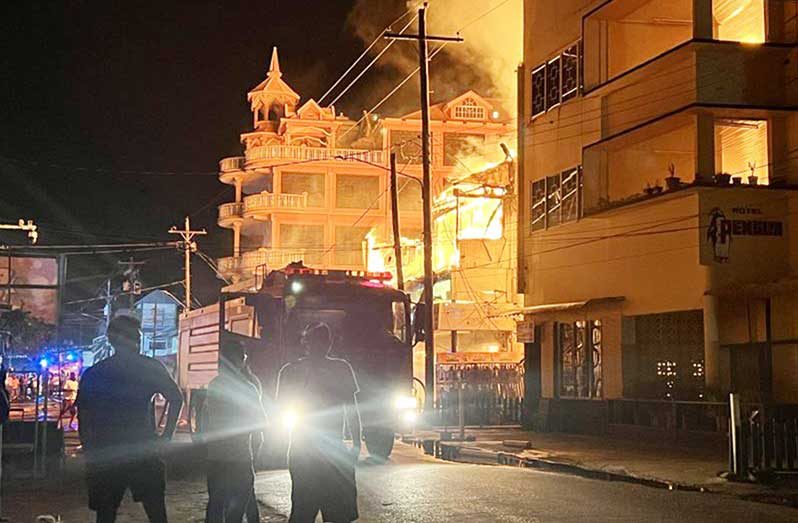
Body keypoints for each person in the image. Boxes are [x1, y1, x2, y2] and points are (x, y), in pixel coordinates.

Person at [77, 314, 184, 523]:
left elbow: (84, 416)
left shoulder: (95, 373)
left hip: (106, 451)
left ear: (111, 340)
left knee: (105, 513)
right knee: (156, 511)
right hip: (143, 449)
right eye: (136, 335)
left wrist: (89, 449)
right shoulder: (149, 367)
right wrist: (166, 436)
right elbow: (176, 398)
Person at [276, 322, 361, 523]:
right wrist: (356, 443)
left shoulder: (290, 371)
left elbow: (280, 411)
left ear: (306, 343)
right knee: (339, 513)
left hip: (302, 450)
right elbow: (351, 410)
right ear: (329, 343)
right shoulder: (341, 368)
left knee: (303, 511)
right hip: (331, 451)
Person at [205, 338, 267, 523]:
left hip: (216, 458)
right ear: (243, 360)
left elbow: (207, 420)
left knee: (215, 507)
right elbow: (260, 425)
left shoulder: (214, 384)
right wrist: (255, 456)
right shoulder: (249, 388)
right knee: (236, 513)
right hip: (240, 459)